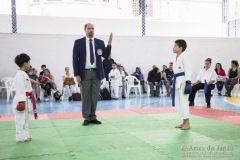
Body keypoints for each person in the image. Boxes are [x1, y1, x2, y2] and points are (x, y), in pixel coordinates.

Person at [73, 23, 112, 126]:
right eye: (89, 28)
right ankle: (86, 117)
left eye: (92, 28)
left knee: (95, 96)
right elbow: (75, 60)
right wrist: (76, 74)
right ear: (85, 30)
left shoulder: (99, 42)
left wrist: (109, 44)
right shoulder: (78, 42)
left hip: (97, 72)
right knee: (85, 96)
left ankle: (93, 116)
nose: (91, 30)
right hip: (84, 72)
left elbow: (106, 55)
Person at [13, 53, 38, 142]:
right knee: (20, 119)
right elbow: (20, 89)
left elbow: (27, 80)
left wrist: (35, 82)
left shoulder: (23, 73)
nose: (29, 64)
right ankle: (20, 136)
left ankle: (25, 135)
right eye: (29, 62)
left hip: (26, 98)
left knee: (25, 118)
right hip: (22, 99)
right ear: (25, 63)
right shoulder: (20, 75)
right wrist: (21, 102)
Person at [172, 39, 192, 130]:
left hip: (183, 81)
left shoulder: (184, 56)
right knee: (180, 101)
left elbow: (188, 69)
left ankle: (187, 122)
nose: (173, 47)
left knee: (184, 101)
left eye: (175, 46)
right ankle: (184, 121)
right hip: (177, 81)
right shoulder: (176, 57)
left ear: (180, 48)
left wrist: (188, 82)